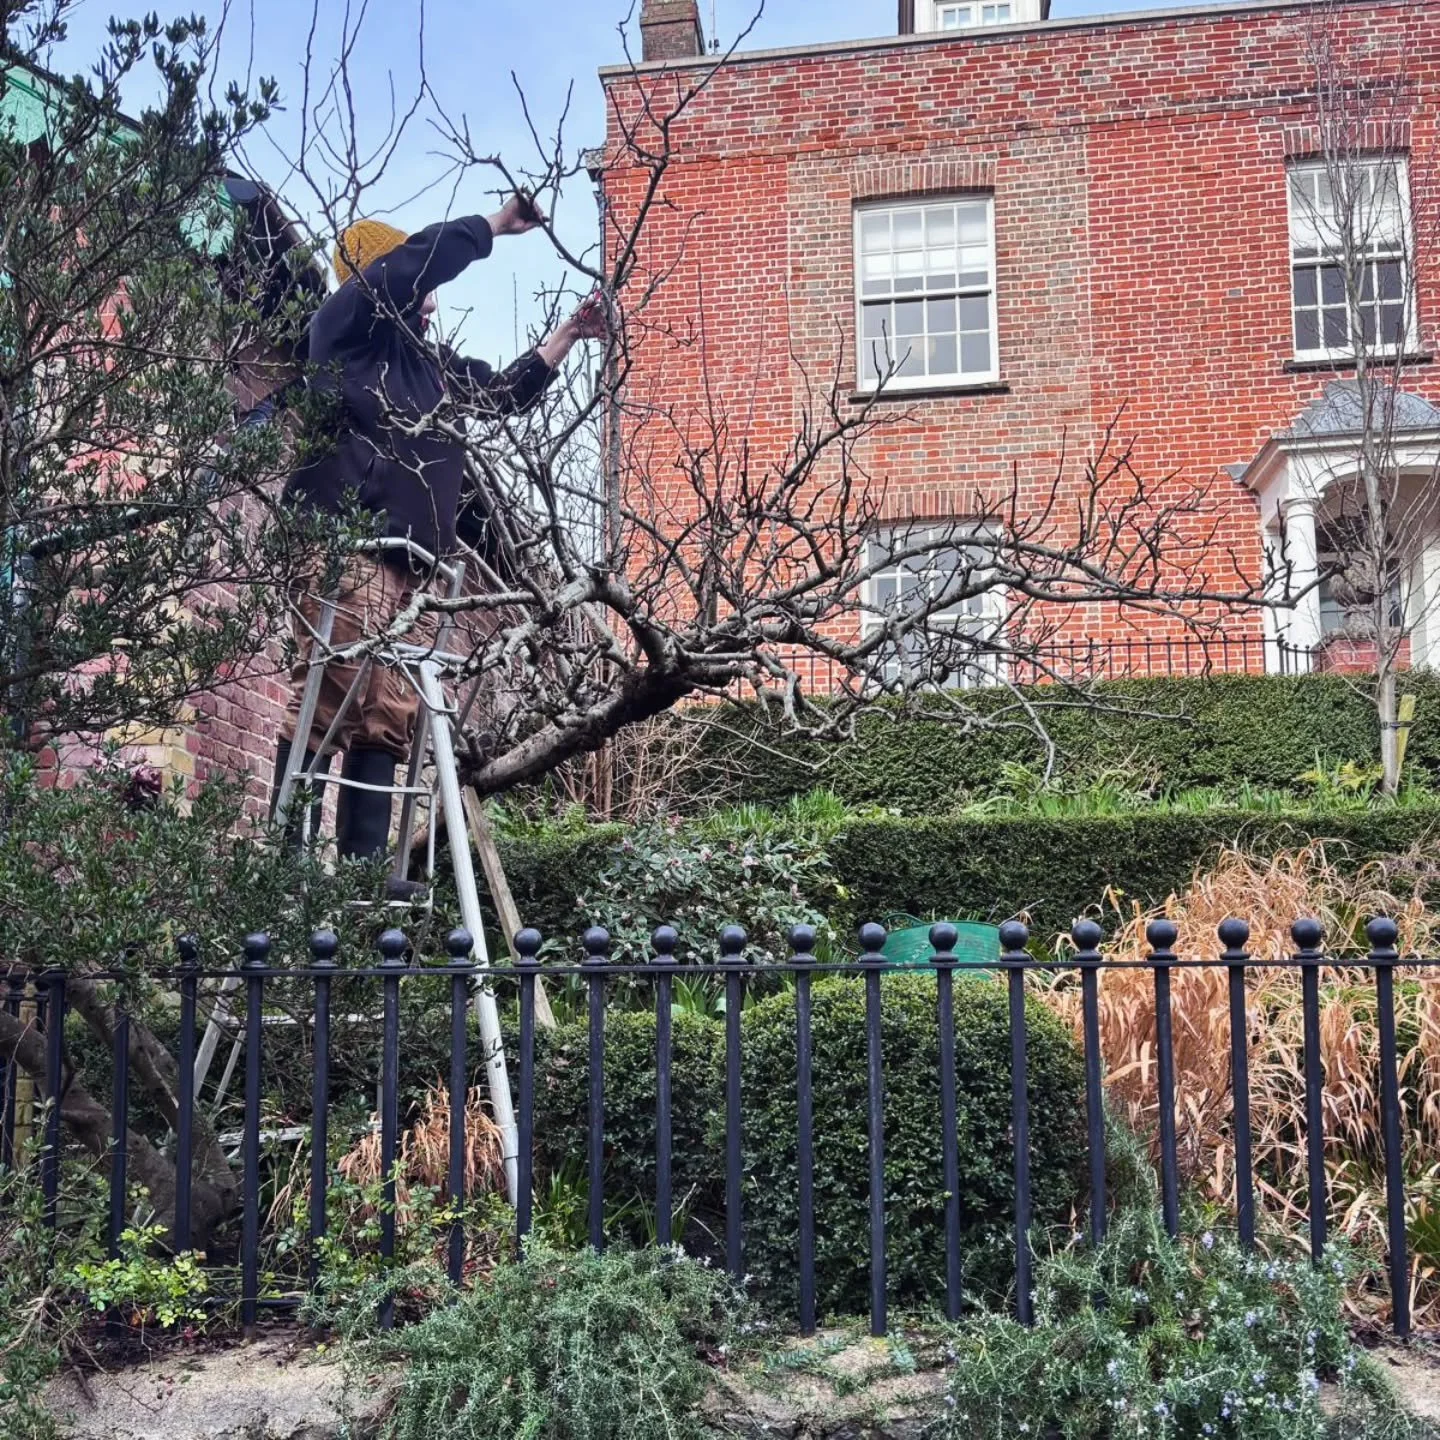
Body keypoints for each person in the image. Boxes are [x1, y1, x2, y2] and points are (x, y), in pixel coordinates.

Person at [271, 196, 604, 880]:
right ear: (386, 283)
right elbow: (407, 269)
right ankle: (291, 879)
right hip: (348, 547)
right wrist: (491, 228)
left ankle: (360, 888)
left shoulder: (426, 368)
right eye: (417, 290)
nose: (429, 303)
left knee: (390, 716)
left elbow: (500, 393)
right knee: (334, 693)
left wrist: (568, 335)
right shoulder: (345, 333)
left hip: (416, 570)